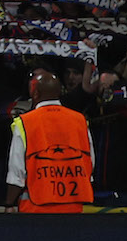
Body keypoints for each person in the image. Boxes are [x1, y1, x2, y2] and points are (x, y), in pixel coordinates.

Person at [5, 68, 94, 213]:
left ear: (35, 93)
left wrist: (9, 204)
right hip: (74, 208)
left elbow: (17, 173)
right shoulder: (80, 120)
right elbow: (89, 163)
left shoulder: (25, 122)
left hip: (35, 208)